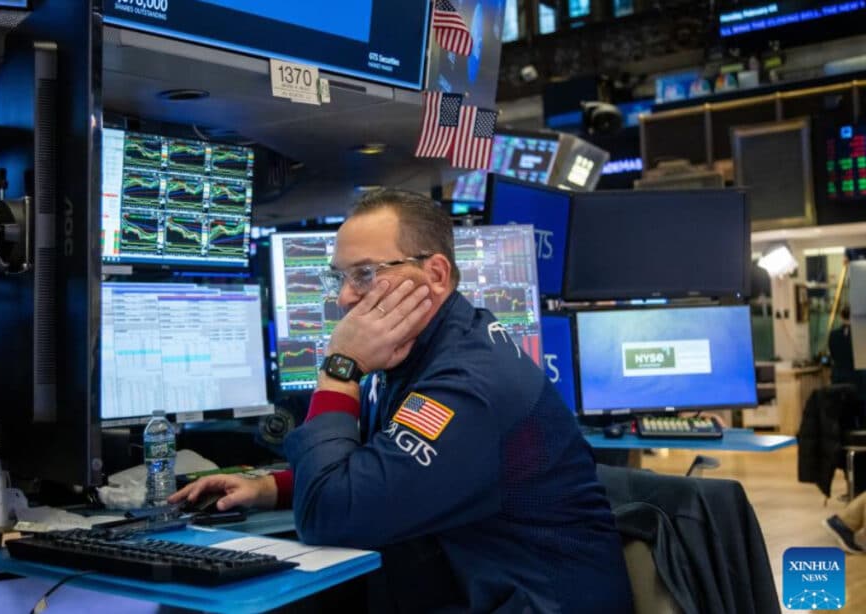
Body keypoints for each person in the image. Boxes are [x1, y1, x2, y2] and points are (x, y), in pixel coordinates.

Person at [171, 190, 633, 612]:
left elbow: (328, 517)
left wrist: (340, 369)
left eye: (366, 274)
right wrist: (277, 488)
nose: (345, 297)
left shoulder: (467, 385)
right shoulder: (430, 347)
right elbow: (387, 468)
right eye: (340, 278)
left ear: (435, 274)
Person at [829, 306, 854, 385]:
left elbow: (832, 354)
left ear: (841, 317)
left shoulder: (833, 334)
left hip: (838, 376)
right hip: (854, 377)